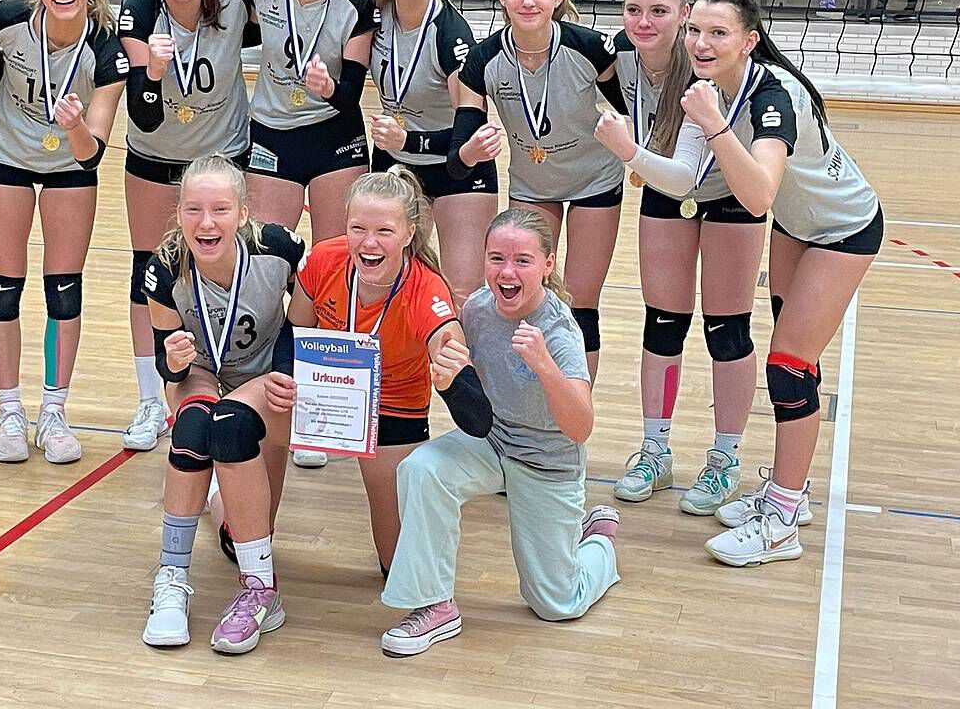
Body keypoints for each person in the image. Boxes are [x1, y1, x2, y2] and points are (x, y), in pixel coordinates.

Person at [618, 0, 881, 566]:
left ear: (748, 42)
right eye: (695, 31)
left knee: (789, 367)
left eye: (718, 33)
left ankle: (781, 521)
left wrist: (714, 125)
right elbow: (689, 175)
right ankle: (791, 493)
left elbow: (757, 196)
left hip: (843, 229)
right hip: (797, 226)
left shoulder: (772, 95)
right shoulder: (710, 88)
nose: (701, 43)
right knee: (797, 359)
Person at [379, 208, 620, 657]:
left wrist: (545, 365)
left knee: (557, 603)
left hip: (546, 461)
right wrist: (448, 377)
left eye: (522, 261)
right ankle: (435, 606)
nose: (507, 272)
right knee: (422, 470)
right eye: (497, 259)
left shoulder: (560, 332)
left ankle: (599, 542)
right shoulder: (476, 309)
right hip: (491, 443)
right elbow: (468, 388)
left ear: (547, 265)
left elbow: (580, 428)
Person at [593, 0, 767, 515]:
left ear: (684, 15)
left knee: (727, 330)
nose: (643, 22)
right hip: (666, 190)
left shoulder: (705, 65)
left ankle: (725, 459)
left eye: (659, 11)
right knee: (662, 323)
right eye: (633, 10)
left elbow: (688, 173)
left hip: (729, 194)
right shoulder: (618, 55)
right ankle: (655, 451)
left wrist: (628, 151)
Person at [265, 167, 494, 577]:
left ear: (409, 233)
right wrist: (284, 374)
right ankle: (234, 520)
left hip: (393, 407)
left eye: (384, 231)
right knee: (242, 425)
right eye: (358, 228)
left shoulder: (427, 290)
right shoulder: (323, 259)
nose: (369, 243)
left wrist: (453, 381)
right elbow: (292, 332)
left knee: (399, 568)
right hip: (323, 395)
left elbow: (477, 419)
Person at [138, 154, 305, 655]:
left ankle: (253, 575)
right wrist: (172, 360)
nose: (206, 223)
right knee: (193, 428)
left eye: (220, 209)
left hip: (263, 378)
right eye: (193, 210)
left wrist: (289, 373)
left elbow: (305, 319)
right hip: (204, 374)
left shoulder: (278, 249)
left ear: (243, 212)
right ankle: (172, 579)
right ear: (179, 213)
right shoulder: (164, 268)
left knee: (244, 529)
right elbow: (169, 364)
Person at [0, 0, 127, 465]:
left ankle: (54, 411)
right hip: (7, 159)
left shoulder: (106, 48)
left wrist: (75, 126)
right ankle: (8, 412)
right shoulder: (8, 22)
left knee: (64, 289)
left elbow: (91, 155)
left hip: (69, 166)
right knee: (3, 287)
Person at [244, 0, 378, 468]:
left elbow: (351, 94)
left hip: (333, 137)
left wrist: (329, 86)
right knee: (266, 266)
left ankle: (325, 409)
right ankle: (264, 397)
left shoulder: (356, 4)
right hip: (271, 136)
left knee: (334, 267)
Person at [451, 0, 627, 381]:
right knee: (526, 296)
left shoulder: (591, 49)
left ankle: (577, 402)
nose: (528, 0)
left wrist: (637, 148)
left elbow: (634, 110)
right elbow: (458, 159)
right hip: (532, 186)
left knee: (581, 304)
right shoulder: (483, 60)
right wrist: (472, 151)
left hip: (594, 182)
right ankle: (522, 398)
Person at [117, 0, 257, 451]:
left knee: (234, 269)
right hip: (156, 156)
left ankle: (239, 385)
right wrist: (153, 71)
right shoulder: (138, 12)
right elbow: (144, 114)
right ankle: (151, 399)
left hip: (223, 158)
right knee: (148, 270)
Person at [366, 0, 493, 308]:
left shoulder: (450, 33)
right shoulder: (373, 16)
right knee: (386, 285)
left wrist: (409, 140)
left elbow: (470, 132)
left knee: (461, 294)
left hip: (457, 168)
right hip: (395, 162)